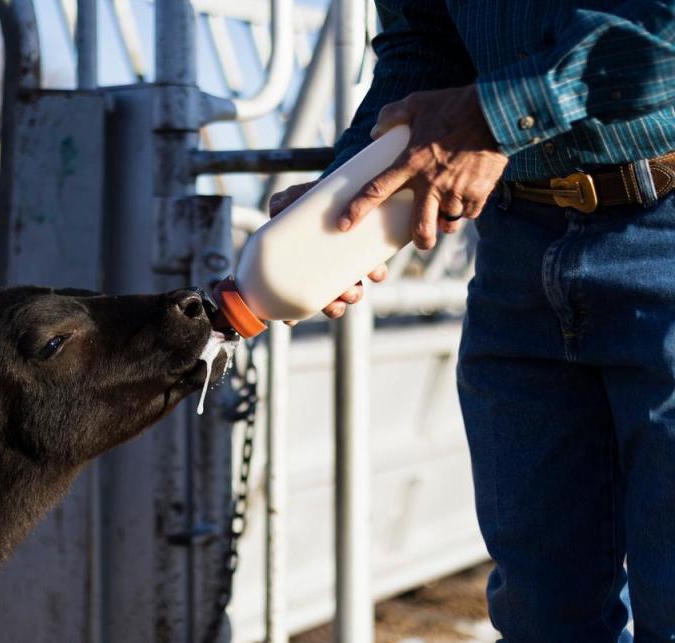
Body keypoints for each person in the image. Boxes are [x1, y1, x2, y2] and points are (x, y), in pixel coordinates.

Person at [270, 2, 675, 641]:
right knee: (540, 615)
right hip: (516, 247)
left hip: (663, 225)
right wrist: (353, 187)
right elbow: (425, 41)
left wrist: (492, 116)